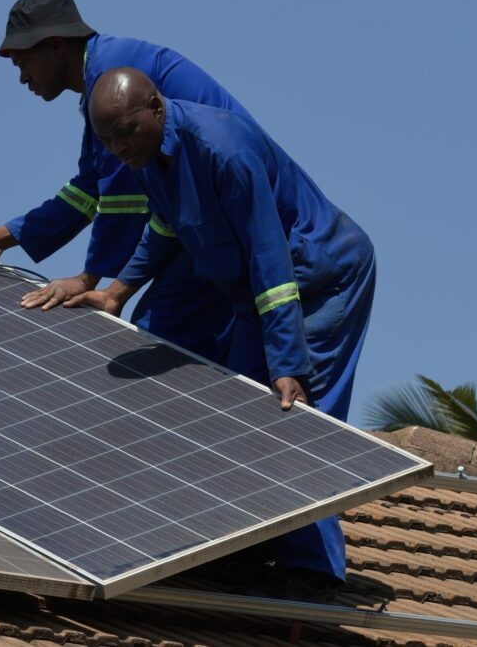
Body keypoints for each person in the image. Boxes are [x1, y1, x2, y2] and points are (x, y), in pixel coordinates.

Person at [66, 67, 377, 594]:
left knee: (295, 418)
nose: (118, 147)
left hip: (320, 279)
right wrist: (119, 291)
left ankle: (313, 573)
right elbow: (167, 225)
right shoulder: (144, 156)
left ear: (157, 109)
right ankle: (245, 551)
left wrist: (287, 366)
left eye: (125, 132)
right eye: (108, 140)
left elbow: (268, 255)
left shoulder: (223, 151)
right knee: (238, 411)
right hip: (261, 291)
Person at [0, 0, 261, 362]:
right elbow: (89, 187)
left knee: (163, 335)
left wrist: (89, 280)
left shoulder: (113, 82)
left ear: (55, 46)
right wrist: (2, 237)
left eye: (23, 63)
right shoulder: (100, 76)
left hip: (225, 219)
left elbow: (122, 195)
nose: (22, 79)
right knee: (175, 344)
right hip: (205, 222)